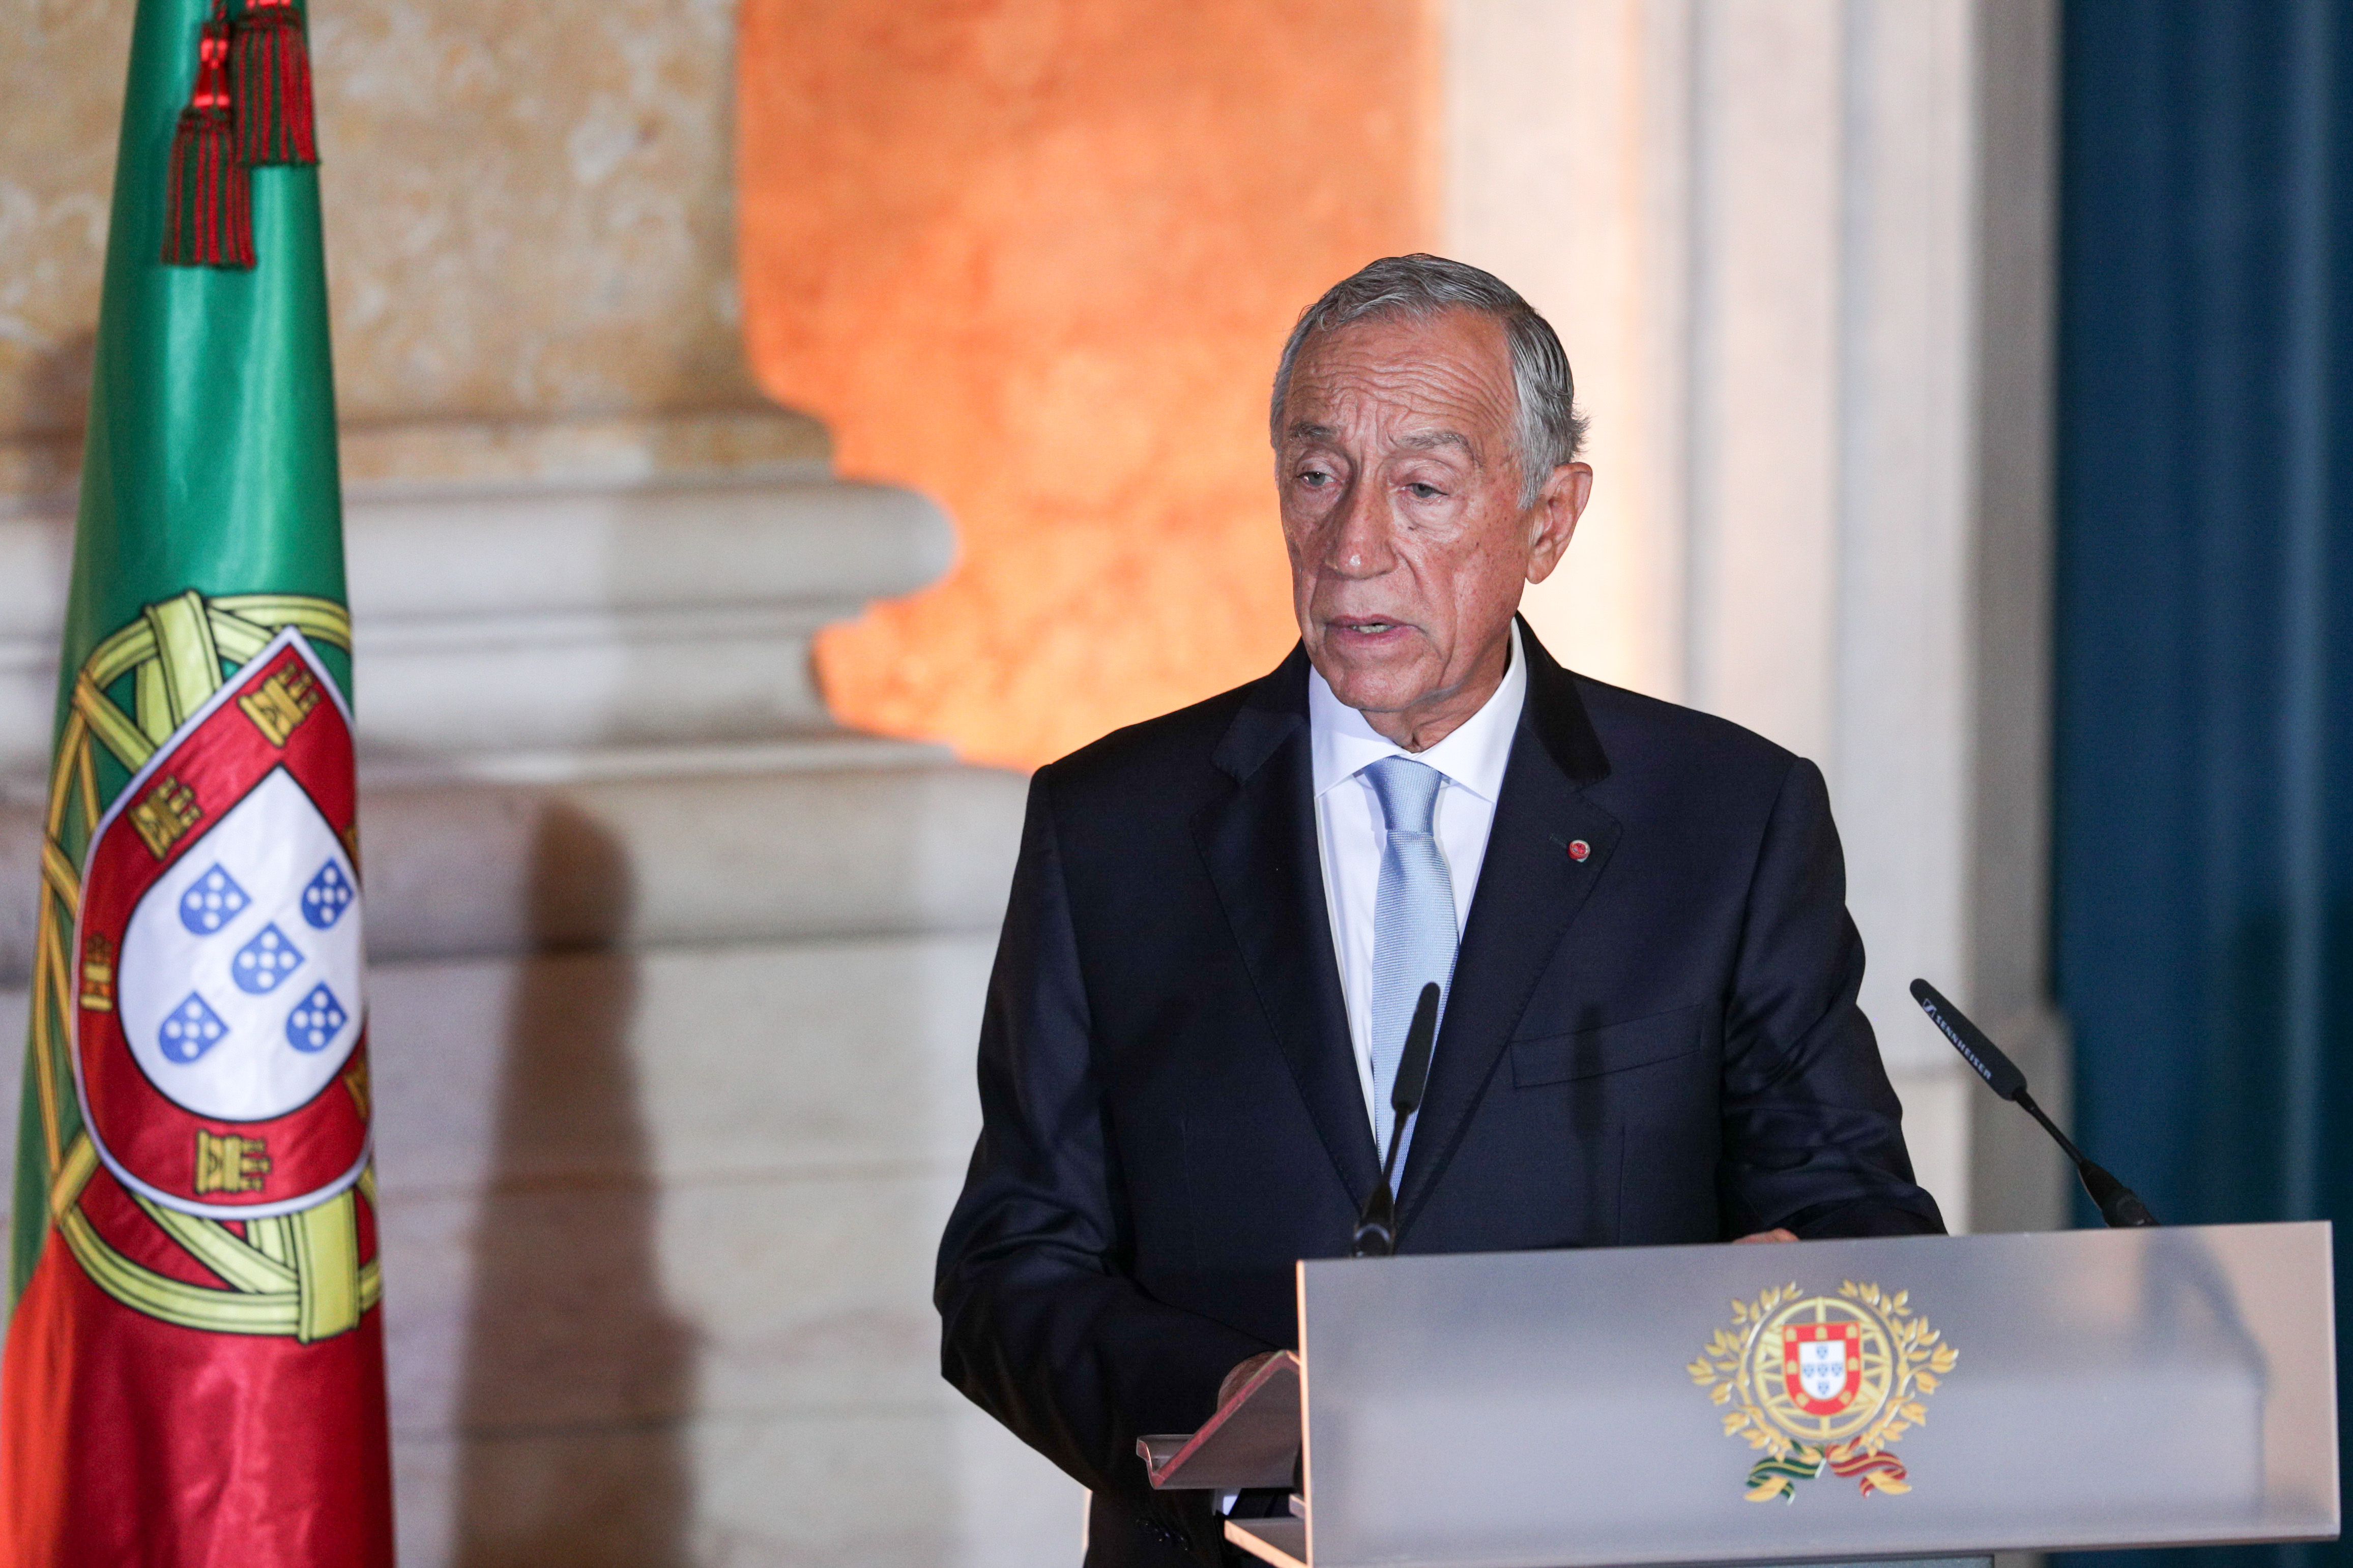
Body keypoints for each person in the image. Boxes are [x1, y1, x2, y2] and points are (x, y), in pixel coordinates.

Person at [935, 254, 1944, 1567]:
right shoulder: (1113, 824)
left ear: (1547, 518)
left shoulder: (1725, 818)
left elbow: (1856, 1218)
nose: (1353, 545)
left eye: (1420, 487)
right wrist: (1233, 1412)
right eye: (1314, 476)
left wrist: (1763, 1296)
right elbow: (1010, 1268)